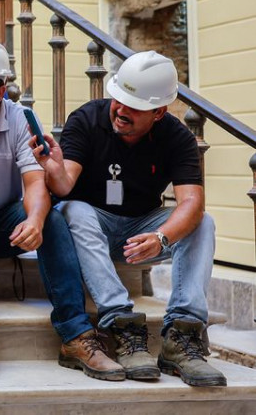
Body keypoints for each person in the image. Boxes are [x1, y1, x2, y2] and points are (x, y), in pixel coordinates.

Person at [0, 39, 125, 384]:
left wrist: (34, 219)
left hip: (2, 222)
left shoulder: (20, 119)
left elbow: (35, 182)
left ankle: (76, 334)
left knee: (52, 217)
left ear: (0, 91)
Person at [34, 50, 227, 388]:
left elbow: (192, 202)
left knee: (203, 222)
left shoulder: (177, 136)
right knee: (72, 209)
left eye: (134, 107)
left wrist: (162, 237)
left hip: (142, 231)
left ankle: (181, 336)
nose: (121, 111)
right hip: (91, 227)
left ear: (159, 112)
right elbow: (64, 186)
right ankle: (122, 323)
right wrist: (53, 168)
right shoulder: (87, 119)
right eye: (118, 99)